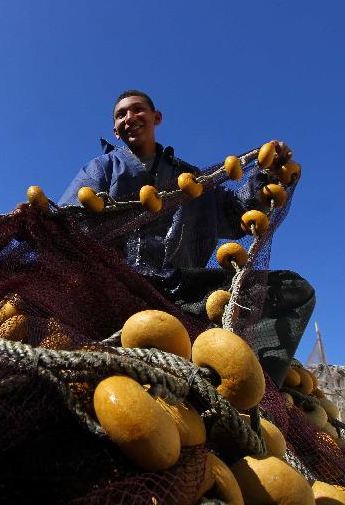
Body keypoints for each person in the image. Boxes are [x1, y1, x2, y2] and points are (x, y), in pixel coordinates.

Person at [60, 89, 314, 385]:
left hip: (180, 290)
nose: (130, 118)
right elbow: (68, 220)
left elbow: (237, 216)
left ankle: (254, 391)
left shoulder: (192, 181)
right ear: (115, 131)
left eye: (137, 110)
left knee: (294, 291)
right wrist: (34, 219)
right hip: (111, 287)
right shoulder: (100, 169)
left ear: (156, 118)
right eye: (121, 115)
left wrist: (265, 175)